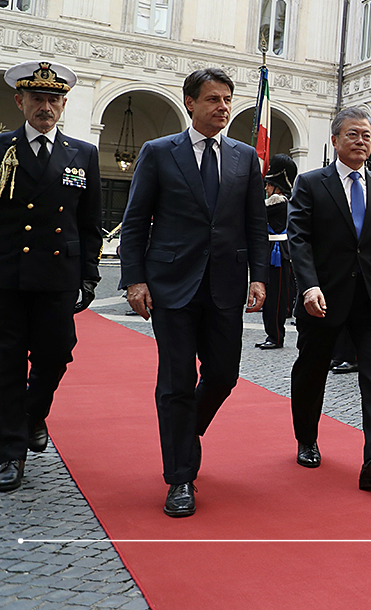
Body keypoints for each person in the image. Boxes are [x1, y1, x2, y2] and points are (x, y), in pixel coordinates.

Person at [120, 67, 269, 517]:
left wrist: (259, 277)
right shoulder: (159, 153)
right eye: (213, 99)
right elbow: (135, 221)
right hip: (172, 287)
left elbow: (256, 225)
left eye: (227, 99)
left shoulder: (245, 158)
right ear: (190, 102)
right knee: (177, 381)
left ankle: (187, 431)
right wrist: (134, 280)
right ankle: (180, 477)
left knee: (223, 374)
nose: (223, 107)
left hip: (225, 286)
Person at [288, 106, 371, 490]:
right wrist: (308, 285)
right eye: (352, 135)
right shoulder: (310, 183)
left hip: (370, 299)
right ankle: (307, 438)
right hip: (322, 296)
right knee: (312, 370)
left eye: (366, 136)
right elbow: (299, 239)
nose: (360, 142)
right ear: (335, 140)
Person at [0, 61, 102, 493]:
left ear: (63, 104)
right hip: (7, 274)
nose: (45, 106)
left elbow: (90, 219)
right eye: (37, 98)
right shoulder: (2, 148)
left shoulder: (83, 152)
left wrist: (90, 275)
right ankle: (10, 450)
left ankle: (33, 414)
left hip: (58, 274)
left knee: (56, 354)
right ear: (20, 101)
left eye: (53, 99)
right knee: (5, 365)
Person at [257, 154, 297, 351]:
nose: (266, 188)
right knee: (271, 296)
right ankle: (271, 333)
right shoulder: (279, 201)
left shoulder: (278, 201)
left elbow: (257, 212)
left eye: (269, 184)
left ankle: (276, 335)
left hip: (278, 252)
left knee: (276, 297)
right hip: (272, 251)